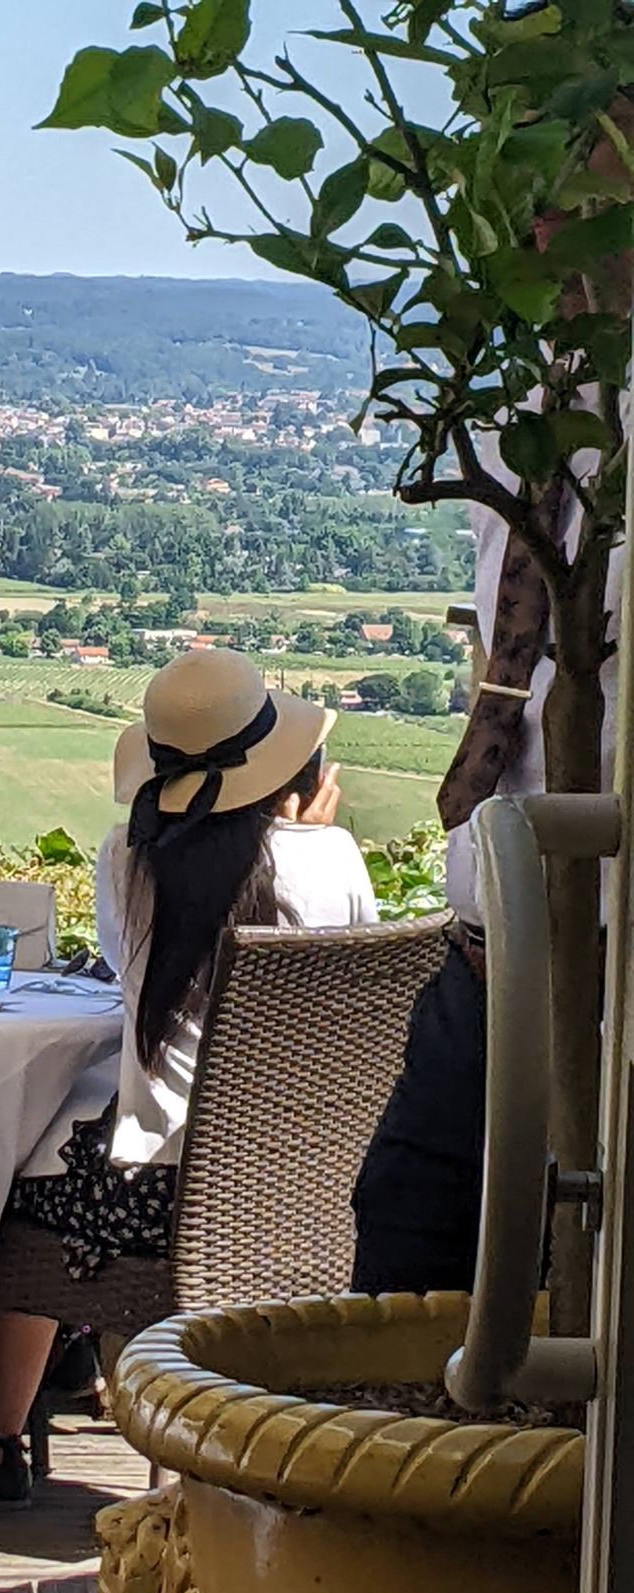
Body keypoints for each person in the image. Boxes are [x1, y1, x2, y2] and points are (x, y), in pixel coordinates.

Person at [0, 650, 378, 1502]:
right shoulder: (333, 857)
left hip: (155, 1197)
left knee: (20, 1185)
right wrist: (314, 838)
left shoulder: (125, 857)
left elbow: (130, 971)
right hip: (308, 1195)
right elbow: (356, 978)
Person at [351, 99, 633, 1296]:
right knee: (402, 1264)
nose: (539, 219)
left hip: (614, 970)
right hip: (486, 962)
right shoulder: (522, 401)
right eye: (522, 183)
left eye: (577, 174)